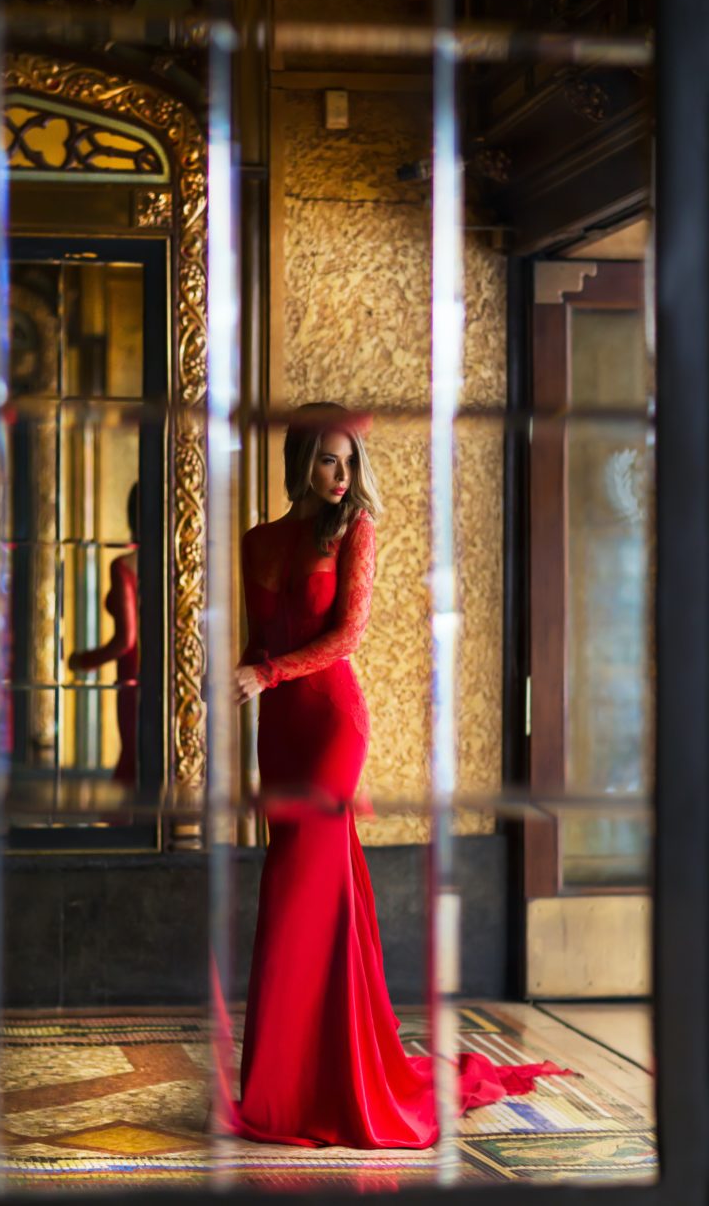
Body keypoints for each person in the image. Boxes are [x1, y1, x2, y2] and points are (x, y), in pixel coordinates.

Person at [226, 402, 569, 1148]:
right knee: (294, 890)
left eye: (350, 461)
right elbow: (256, 640)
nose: (343, 475)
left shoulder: (357, 530)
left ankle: (322, 1088)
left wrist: (268, 671)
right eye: (328, 460)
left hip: (328, 725)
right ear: (300, 463)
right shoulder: (255, 541)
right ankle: (286, 1087)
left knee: (302, 894)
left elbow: (348, 633)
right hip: (281, 730)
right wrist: (244, 681)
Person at [67, 483, 139, 784]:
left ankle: (128, 827)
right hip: (168, 671)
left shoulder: (123, 565)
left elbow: (126, 640)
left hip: (133, 672)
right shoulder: (179, 562)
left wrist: (82, 661)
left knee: (133, 753)